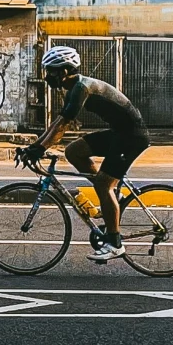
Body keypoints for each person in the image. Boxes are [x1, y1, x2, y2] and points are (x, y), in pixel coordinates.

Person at [23, 43, 151, 262]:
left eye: (51, 72)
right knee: (74, 151)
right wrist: (36, 146)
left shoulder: (82, 88)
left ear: (63, 71)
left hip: (132, 136)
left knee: (103, 183)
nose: (48, 77)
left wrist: (39, 149)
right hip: (119, 132)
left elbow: (63, 125)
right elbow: (59, 121)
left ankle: (114, 243)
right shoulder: (72, 89)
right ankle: (112, 198)